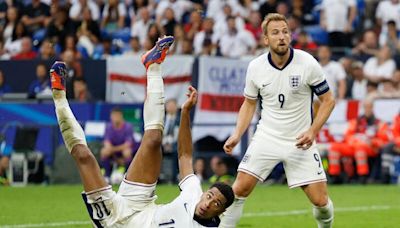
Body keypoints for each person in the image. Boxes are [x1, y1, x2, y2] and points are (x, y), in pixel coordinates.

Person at [50, 36, 234, 227]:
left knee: (83, 155)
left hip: (113, 221)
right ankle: (153, 64)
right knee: (154, 140)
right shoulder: (194, 192)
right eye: (210, 196)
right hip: (141, 204)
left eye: (216, 204)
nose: (208, 203)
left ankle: (58, 96)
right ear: (205, 192)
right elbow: (185, 156)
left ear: (221, 212)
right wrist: (185, 112)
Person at [220, 13, 336, 228]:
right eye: (275, 33)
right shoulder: (255, 67)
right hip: (267, 136)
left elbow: (328, 101)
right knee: (238, 190)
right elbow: (249, 103)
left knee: (320, 202)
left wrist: (312, 131)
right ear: (265, 39)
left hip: (300, 140)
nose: (281, 37)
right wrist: (237, 134)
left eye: (285, 31)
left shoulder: (307, 63)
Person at [100, 106, 135, 183]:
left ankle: (127, 176)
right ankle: (107, 176)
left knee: (127, 152)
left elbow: (127, 144)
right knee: (104, 151)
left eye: (117, 115)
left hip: (122, 151)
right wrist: (113, 152)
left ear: (121, 116)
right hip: (113, 152)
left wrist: (113, 149)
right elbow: (107, 143)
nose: (115, 118)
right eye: (113, 115)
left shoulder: (128, 127)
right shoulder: (108, 127)